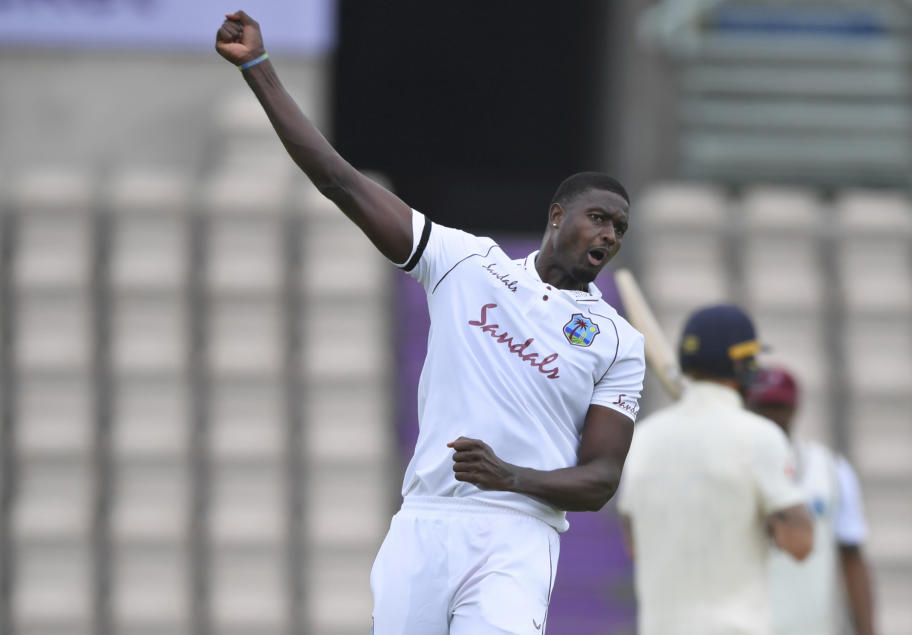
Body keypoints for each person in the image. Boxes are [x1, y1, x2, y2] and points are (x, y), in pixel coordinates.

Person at [215, 11, 646, 634]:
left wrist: (510, 477)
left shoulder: (618, 342)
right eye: (599, 217)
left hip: (517, 535)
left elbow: (601, 478)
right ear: (556, 215)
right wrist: (259, 69)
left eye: (620, 229)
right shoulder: (466, 263)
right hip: (424, 522)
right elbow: (338, 179)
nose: (609, 233)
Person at [617, 304, 813, 635]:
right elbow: (800, 543)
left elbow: (634, 542)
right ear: (744, 364)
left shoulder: (642, 439)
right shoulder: (760, 437)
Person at [747, 366, 876, 635]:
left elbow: (851, 556)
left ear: (794, 409)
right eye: (763, 406)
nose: (771, 415)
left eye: (779, 406)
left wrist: (867, 629)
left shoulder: (830, 469)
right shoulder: (729, 466)